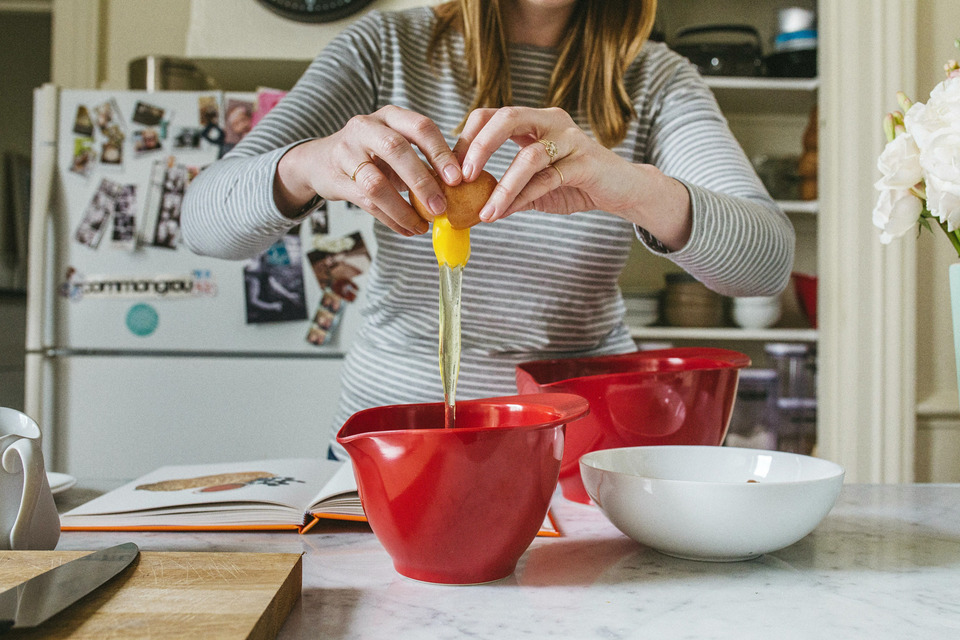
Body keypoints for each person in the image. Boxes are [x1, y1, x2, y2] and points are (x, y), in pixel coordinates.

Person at [181, 0, 795, 459]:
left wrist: (626, 184)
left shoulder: (656, 79)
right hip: (400, 449)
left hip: (577, 451)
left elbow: (766, 263)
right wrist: (307, 164)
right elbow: (204, 223)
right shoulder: (385, 47)